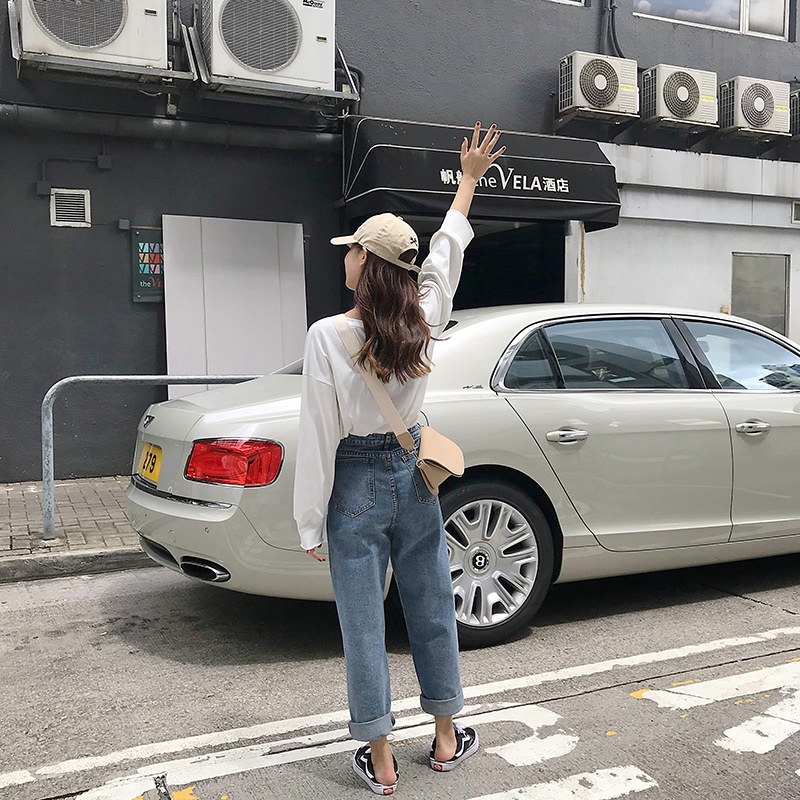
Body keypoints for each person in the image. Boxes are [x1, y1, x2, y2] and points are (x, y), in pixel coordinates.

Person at [293, 122, 505, 795]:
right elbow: (446, 253)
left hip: (354, 481)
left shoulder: (328, 336)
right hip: (415, 478)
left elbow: (318, 432)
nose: (346, 259)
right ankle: (444, 737)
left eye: (351, 251)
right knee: (432, 605)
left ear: (366, 263)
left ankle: (381, 759)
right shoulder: (425, 318)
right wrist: (468, 182)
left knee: (362, 623)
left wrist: (308, 523)